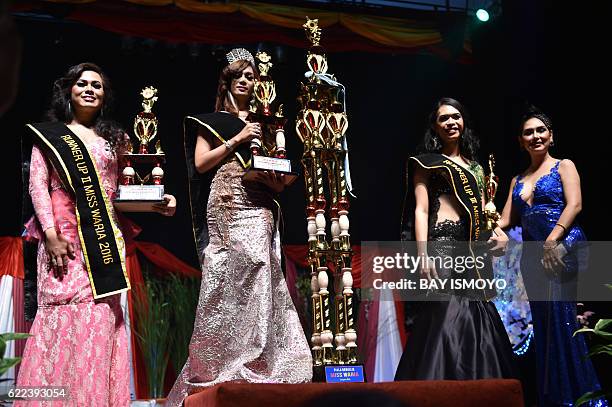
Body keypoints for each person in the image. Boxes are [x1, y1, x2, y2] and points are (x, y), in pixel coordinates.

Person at [18, 62, 176, 406]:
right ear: (69, 91)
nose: (90, 89)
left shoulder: (115, 140)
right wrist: (49, 233)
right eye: (83, 83)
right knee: (61, 316)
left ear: (104, 97)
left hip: (104, 241)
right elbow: (38, 186)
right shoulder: (49, 136)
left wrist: (159, 200)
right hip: (64, 239)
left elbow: (125, 189)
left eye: (98, 85)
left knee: (101, 318)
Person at [166, 48, 312, 406]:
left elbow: (273, 164)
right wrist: (238, 138)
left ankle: (262, 362)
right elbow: (201, 164)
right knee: (226, 280)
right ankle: (220, 365)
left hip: (261, 202)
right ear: (228, 82)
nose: (247, 82)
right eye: (240, 77)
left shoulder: (267, 119)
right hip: (228, 201)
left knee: (263, 272)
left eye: (251, 76)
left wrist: (279, 182)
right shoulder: (215, 120)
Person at [395, 97, 515, 380]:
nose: (451, 122)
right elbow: (421, 210)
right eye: (443, 118)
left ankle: (475, 384)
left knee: (476, 314)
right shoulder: (427, 163)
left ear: (464, 122)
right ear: (435, 128)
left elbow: (485, 216)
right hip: (442, 244)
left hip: (472, 250)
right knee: (444, 312)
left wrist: (498, 234)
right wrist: (422, 254)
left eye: (456, 116)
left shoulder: (476, 168)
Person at [497, 106, 606, 406]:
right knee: (545, 329)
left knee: (565, 323)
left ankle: (582, 399)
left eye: (540, 130)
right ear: (520, 140)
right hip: (534, 258)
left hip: (563, 246)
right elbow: (505, 220)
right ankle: (556, 398)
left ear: (551, 136)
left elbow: (575, 205)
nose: (535, 136)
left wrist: (551, 241)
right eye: (528, 132)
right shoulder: (517, 179)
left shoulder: (564, 166)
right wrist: (479, 215)